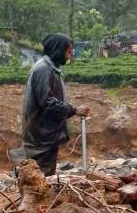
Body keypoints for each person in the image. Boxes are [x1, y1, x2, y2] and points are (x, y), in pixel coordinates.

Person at [21, 34, 88, 176]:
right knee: (40, 178)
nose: (69, 56)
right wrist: (74, 110)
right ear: (58, 50)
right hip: (40, 137)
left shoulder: (50, 68)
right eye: (68, 52)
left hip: (46, 135)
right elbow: (47, 102)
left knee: (45, 176)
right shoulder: (43, 69)